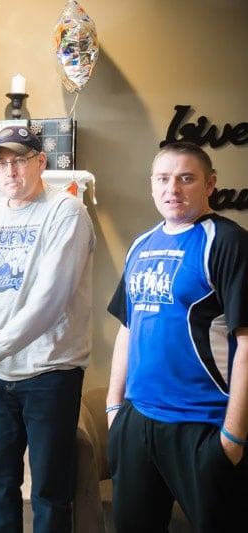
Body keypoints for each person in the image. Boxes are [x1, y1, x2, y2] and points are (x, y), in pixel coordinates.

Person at [0, 126, 95, 533]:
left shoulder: (66, 212)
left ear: (40, 162)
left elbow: (50, 301)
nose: (9, 171)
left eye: (19, 160)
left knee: (49, 491)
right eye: (0, 163)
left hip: (52, 372)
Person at [106, 142, 248, 531]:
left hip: (202, 426)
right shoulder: (142, 244)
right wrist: (114, 409)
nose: (173, 188)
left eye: (186, 178)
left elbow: (247, 344)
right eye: (163, 179)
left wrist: (233, 437)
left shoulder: (227, 242)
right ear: (152, 185)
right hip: (137, 422)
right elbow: (127, 327)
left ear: (210, 184)